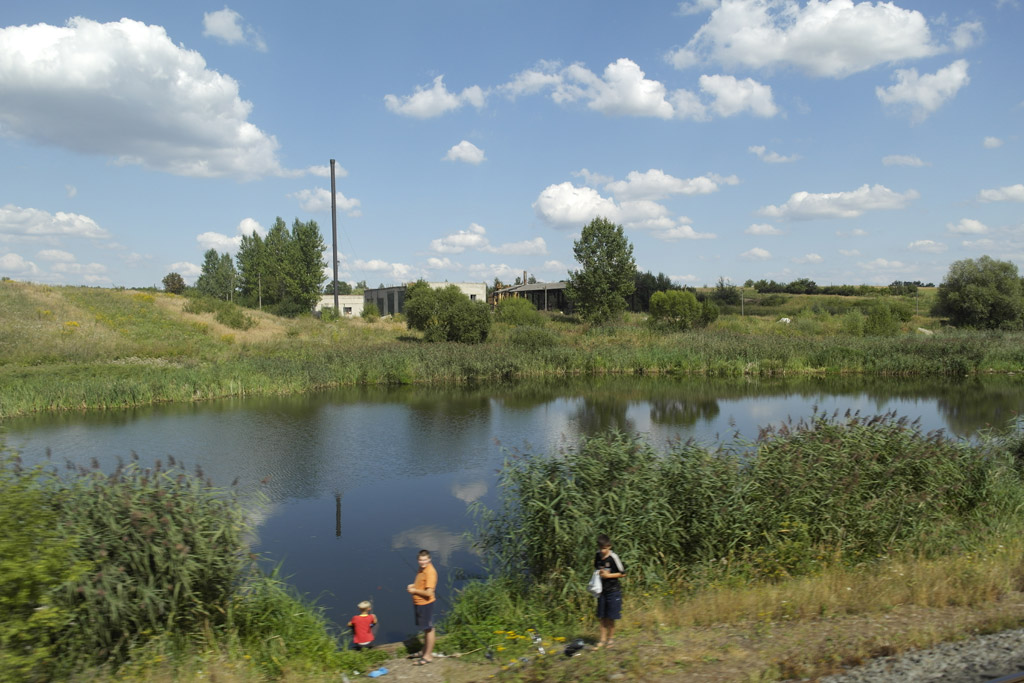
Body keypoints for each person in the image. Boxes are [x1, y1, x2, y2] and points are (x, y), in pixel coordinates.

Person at [406, 548, 437, 665]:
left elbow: (429, 593)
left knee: (429, 629)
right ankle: (424, 651)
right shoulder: (422, 569)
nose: (422, 562)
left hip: (426, 604)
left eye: (425, 560)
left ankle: (428, 656)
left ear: (429, 559)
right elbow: (421, 584)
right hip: (419, 603)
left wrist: (414, 591)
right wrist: (413, 586)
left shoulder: (430, 572)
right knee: (426, 628)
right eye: (420, 560)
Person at [594, 533, 625, 649]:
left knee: (611, 617)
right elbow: (596, 568)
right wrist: (600, 573)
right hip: (601, 590)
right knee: (602, 616)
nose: (603, 551)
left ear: (609, 547)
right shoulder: (597, 555)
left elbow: (623, 573)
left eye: (605, 548)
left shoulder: (614, 558)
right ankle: (602, 640)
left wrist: (609, 576)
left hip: (613, 590)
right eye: (601, 548)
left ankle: (610, 640)